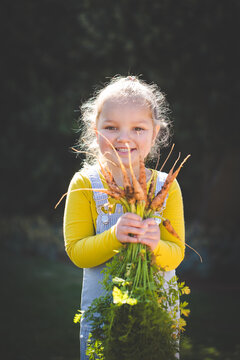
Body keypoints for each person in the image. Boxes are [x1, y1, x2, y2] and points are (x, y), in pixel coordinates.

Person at [63, 75, 185, 360]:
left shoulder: (166, 187)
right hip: (104, 316)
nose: (124, 138)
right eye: (111, 127)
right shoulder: (85, 184)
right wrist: (114, 236)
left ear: (155, 134)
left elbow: (176, 254)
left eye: (138, 128)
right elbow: (77, 252)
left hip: (154, 314)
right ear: (95, 131)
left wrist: (156, 245)